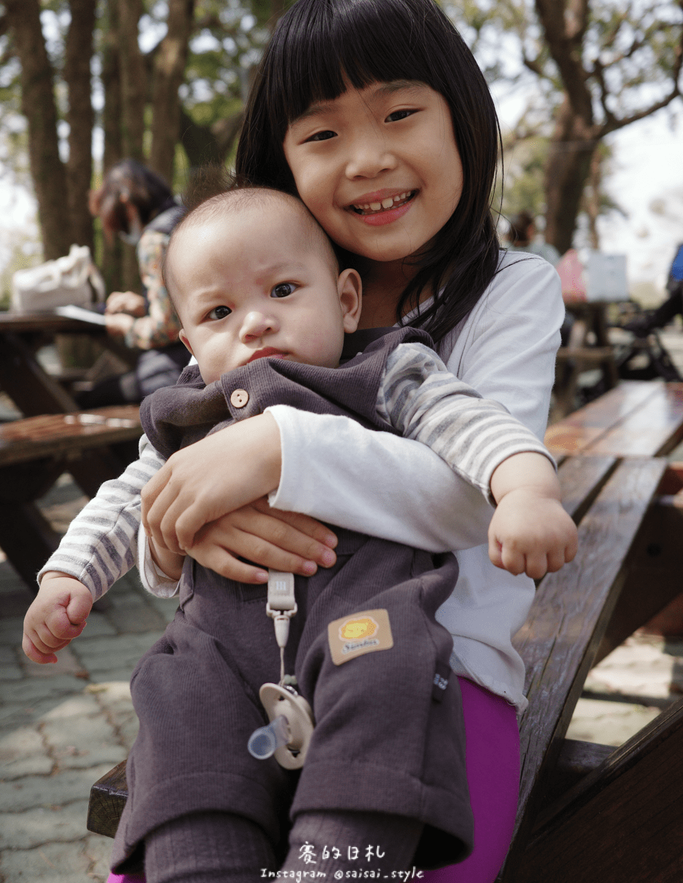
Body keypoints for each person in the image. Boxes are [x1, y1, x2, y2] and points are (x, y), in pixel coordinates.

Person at [23, 185, 576, 882]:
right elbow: (129, 498)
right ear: (189, 343)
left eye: (283, 289)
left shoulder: (383, 370)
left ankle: (340, 854)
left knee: (387, 690)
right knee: (175, 706)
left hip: (364, 622)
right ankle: (201, 861)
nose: (254, 323)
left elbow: (473, 426)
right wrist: (68, 575)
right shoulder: (185, 413)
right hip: (219, 648)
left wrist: (524, 489)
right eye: (220, 312)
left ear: (346, 299)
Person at [80, 160, 190, 408]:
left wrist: (124, 326)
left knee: (87, 399)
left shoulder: (154, 239)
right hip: (203, 362)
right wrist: (144, 305)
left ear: (126, 205)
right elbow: (187, 306)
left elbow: (165, 330)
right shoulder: (187, 218)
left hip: (177, 372)